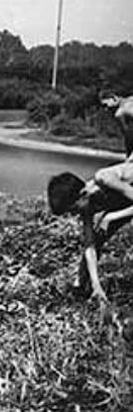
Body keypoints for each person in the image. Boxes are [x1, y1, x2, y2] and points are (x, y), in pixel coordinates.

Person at [47, 163, 133, 317]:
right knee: (98, 236)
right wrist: (96, 284)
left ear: (83, 193)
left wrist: (110, 217)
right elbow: (90, 246)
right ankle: (80, 287)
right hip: (125, 201)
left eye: (73, 210)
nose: (75, 215)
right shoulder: (87, 205)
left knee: (104, 224)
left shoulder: (104, 178)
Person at [100, 93, 133, 158]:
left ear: (114, 98)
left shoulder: (119, 112)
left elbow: (126, 133)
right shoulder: (130, 99)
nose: (106, 109)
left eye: (106, 105)